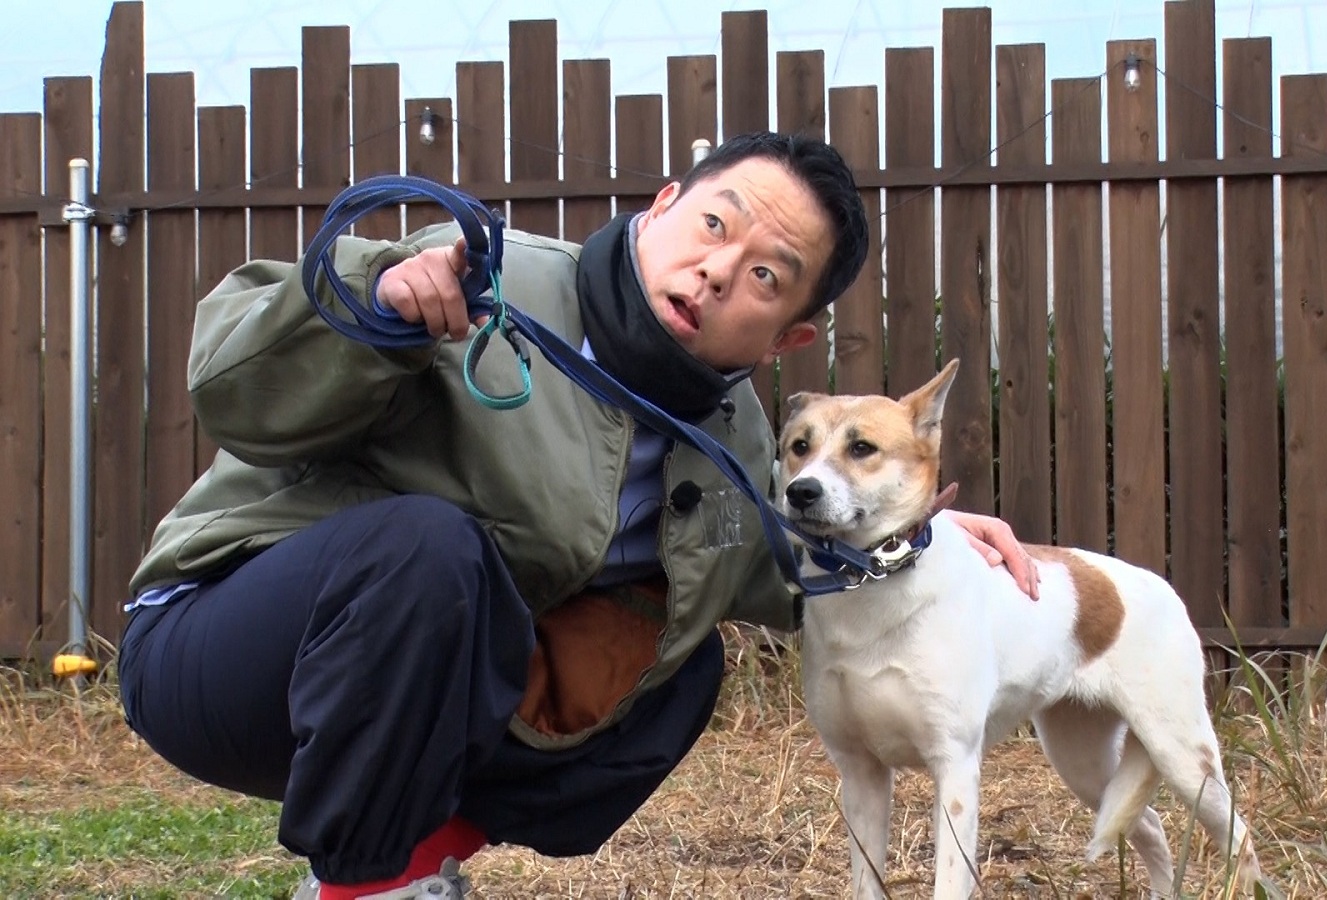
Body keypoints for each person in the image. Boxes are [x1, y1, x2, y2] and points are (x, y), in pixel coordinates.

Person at [115, 131, 1039, 900]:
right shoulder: (486, 278)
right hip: (221, 645)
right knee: (428, 551)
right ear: (663, 203)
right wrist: (376, 310)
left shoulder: (736, 437)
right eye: (713, 225)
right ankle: (368, 883)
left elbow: (779, 567)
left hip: (410, 710)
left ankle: (420, 856)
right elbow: (229, 383)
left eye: (767, 275)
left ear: (789, 334)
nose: (719, 271)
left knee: (682, 664)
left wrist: (914, 539)